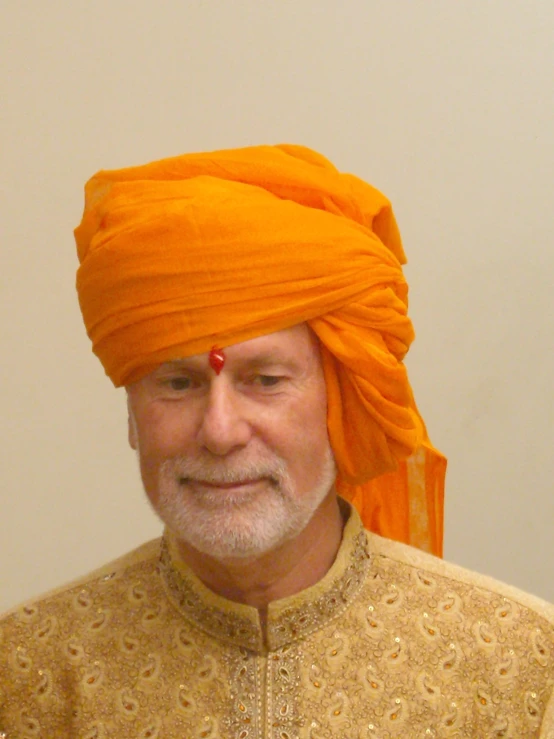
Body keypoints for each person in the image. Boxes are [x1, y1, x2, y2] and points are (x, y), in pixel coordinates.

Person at [1, 145, 552, 738]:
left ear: (339, 404)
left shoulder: (514, 663)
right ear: (133, 416)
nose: (219, 432)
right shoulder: (32, 670)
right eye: (178, 383)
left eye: (265, 380)